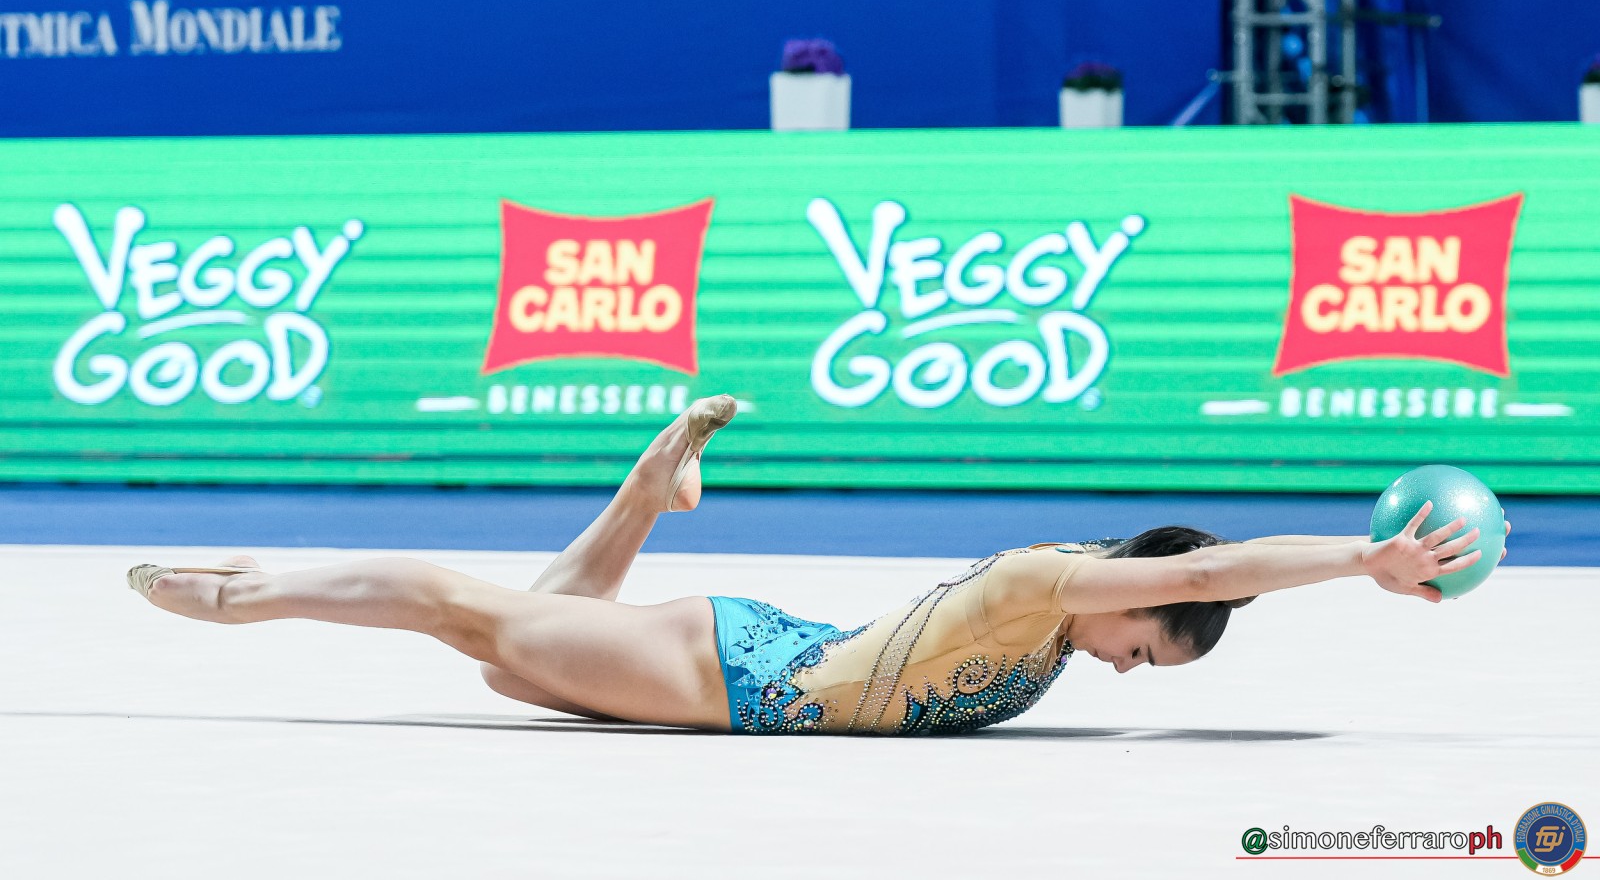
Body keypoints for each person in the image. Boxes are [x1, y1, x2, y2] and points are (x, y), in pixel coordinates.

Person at [125, 395, 1504, 736]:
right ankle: (246, 593)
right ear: (1137, 595)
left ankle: (647, 496)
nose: (1131, 667)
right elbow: (1214, 569)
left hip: (756, 662)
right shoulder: (1051, 584)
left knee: (517, 655)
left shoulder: (1057, 625)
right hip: (731, 671)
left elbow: (1207, 580)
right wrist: (1363, 560)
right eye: (1145, 646)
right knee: (467, 619)